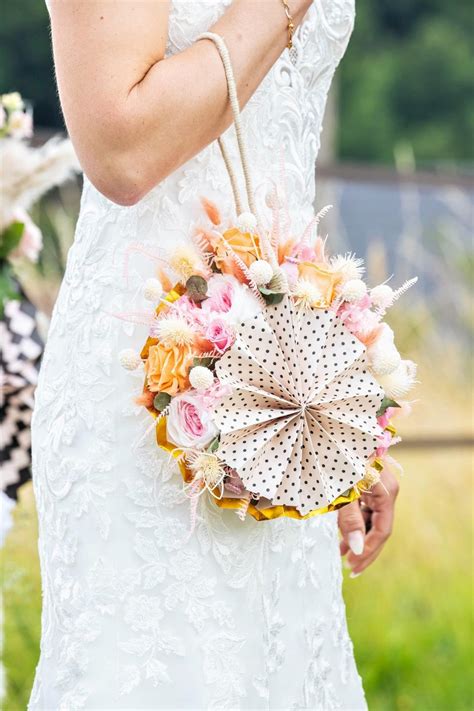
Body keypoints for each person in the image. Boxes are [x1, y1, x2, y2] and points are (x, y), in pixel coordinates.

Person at [30, 1, 399, 709]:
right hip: (145, 391)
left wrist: (339, 403)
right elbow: (122, 151)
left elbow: (279, 152)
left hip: (278, 394)